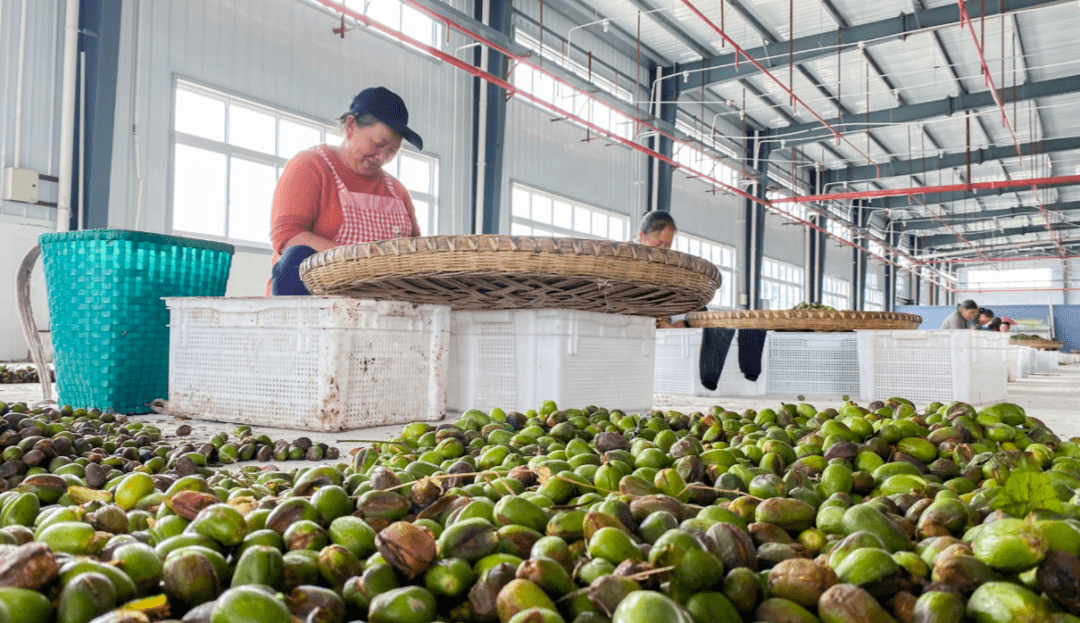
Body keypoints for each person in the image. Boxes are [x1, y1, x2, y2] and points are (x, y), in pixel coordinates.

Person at [268, 87, 424, 295]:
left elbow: (416, 251)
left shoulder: (397, 191)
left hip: (379, 303)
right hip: (317, 298)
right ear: (351, 126)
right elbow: (289, 236)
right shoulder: (310, 166)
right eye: (378, 144)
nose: (381, 157)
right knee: (297, 256)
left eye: (391, 151)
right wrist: (357, 262)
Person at [637, 212, 685, 328]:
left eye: (668, 245)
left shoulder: (668, 265)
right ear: (641, 235)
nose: (663, 249)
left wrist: (679, 328)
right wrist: (661, 324)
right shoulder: (624, 258)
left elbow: (674, 302)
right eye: (659, 243)